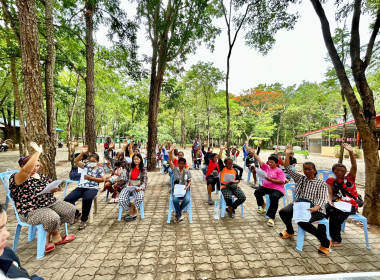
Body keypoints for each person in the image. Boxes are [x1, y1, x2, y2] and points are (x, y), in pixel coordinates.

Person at [9, 142, 76, 253]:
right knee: (52, 218)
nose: (35, 168)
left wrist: (54, 189)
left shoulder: (41, 176)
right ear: (23, 167)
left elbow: (51, 186)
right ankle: (53, 237)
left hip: (49, 202)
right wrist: (37, 152)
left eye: (37, 165)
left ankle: (50, 233)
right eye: (32, 166)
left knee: (70, 210)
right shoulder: (18, 178)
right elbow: (26, 171)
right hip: (31, 209)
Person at [279, 145, 331, 256]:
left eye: (309, 169)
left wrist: (315, 208)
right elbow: (287, 167)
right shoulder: (300, 178)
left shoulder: (321, 183)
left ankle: (325, 241)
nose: (307, 171)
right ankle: (290, 231)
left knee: (302, 221)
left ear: (315, 170)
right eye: (305, 169)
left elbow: (322, 199)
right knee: (283, 212)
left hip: (316, 209)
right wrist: (287, 154)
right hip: (299, 204)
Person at [64, 145, 106, 231]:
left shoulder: (100, 169)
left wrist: (91, 178)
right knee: (68, 199)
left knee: (87, 199)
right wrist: (82, 152)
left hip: (92, 188)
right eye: (90, 161)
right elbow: (75, 161)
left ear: (97, 161)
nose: (91, 163)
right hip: (81, 186)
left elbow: (102, 179)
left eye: (93, 161)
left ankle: (84, 220)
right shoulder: (86, 166)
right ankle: (76, 213)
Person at [326, 143, 359, 247]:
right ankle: (323, 232)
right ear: (333, 171)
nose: (340, 172)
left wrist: (350, 152)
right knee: (327, 209)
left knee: (335, 216)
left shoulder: (350, 178)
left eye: (342, 170)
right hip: (338, 203)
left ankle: (336, 239)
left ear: (345, 171)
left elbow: (354, 166)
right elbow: (330, 194)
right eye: (337, 171)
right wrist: (330, 201)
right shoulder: (331, 181)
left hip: (351, 205)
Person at [0, 203, 45, 279]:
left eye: (4, 226)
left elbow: (20, 271)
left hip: (43, 206)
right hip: (28, 211)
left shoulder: (5, 251)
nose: (7, 234)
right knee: (51, 218)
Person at [251, 147, 285, 227]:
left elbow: (282, 181)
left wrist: (271, 180)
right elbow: (259, 160)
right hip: (266, 187)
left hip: (277, 189)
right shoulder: (266, 167)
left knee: (273, 197)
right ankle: (263, 205)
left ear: (276, 163)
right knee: (257, 192)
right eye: (269, 162)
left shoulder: (279, 171)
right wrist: (254, 153)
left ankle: (271, 217)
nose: (270, 163)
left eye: (272, 162)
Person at [118, 153, 148, 221]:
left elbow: (145, 182)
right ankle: (132, 207)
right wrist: (124, 148)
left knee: (140, 197)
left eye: (137, 159)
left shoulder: (143, 170)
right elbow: (122, 161)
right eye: (134, 159)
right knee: (121, 199)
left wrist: (141, 188)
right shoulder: (129, 167)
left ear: (140, 160)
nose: (136, 160)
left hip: (137, 187)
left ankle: (134, 211)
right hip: (128, 186)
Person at [168, 144, 192, 223]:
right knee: (175, 200)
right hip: (176, 189)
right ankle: (179, 215)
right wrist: (171, 151)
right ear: (178, 163)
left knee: (187, 200)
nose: (181, 165)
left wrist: (188, 186)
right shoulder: (175, 170)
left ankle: (177, 213)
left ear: (185, 164)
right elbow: (169, 161)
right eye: (180, 163)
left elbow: (189, 181)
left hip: (185, 189)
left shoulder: (187, 172)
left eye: (183, 163)